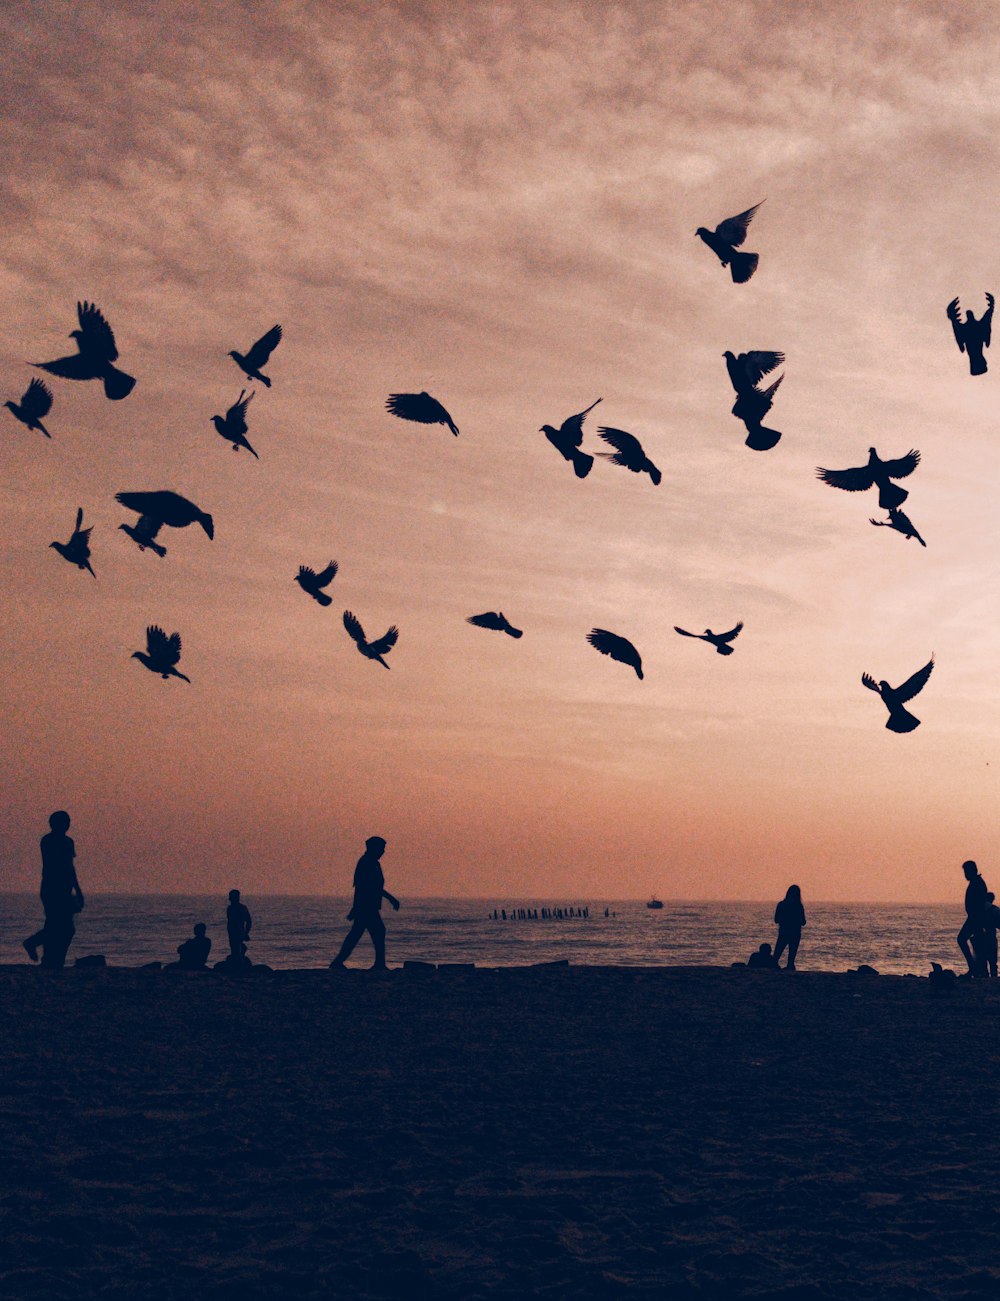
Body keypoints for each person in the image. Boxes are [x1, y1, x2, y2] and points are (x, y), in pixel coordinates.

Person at [23, 811, 85, 970]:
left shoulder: (67, 842)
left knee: (59, 926)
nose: (68, 824)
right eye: (66, 821)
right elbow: (61, 865)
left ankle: (52, 959)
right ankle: (41, 950)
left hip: (62, 888)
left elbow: (71, 867)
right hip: (53, 887)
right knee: (60, 926)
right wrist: (76, 889)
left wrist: (77, 889)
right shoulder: (49, 841)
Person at [330, 836, 400, 971]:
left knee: (358, 933)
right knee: (377, 931)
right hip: (366, 906)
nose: (383, 852)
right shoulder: (366, 863)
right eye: (381, 848)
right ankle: (378, 964)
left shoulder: (373, 863)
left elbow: (376, 887)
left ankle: (338, 962)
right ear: (373, 848)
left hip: (369, 906)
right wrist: (356, 907)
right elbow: (364, 887)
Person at [957, 860, 989, 976]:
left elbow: (980, 903)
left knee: (962, 939)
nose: (965, 874)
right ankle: (978, 969)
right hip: (974, 918)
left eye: (966, 871)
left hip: (975, 918)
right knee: (978, 944)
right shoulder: (976, 882)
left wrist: (978, 919)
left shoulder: (978, 883)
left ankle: (975, 968)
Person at [773, 885, 806, 970]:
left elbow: (776, 920)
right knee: (791, 956)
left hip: (784, 931)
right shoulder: (799, 906)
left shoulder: (781, 904)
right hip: (795, 932)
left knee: (777, 953)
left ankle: (774, 966)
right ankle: (789, 967)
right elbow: (803, 922)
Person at [226, 890, 252, 962]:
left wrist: (244, 933)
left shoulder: (233, 909)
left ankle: (238, 963)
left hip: (236, 931)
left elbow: (235, 922)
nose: (229, 899)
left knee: (236, 949)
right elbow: (248, 921)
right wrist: (245, 933)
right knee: (235, 948)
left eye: (231, 897)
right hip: (234, 931)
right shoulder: (233, 908)